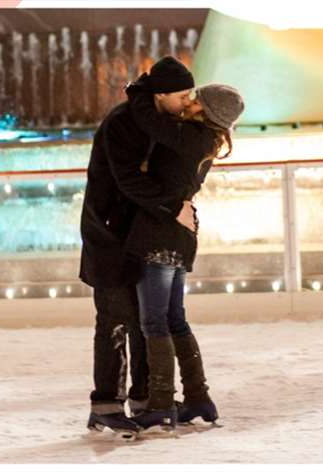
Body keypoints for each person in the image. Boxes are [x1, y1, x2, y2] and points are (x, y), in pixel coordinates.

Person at [79, 56, 199, 436]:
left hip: (142, 234)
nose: (187, 102)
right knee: (115, 319)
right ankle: (106, 404)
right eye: (183, 96)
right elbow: (128, 182)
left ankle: (145, 399)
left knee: (146, 319)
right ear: (161, 95)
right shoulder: (122, 123)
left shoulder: (160, 122)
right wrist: (173, 208)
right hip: (110, 235)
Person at [122, 76, 245, 431]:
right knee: (174, 318)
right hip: (179, 236)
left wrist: (139, 93)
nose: (188, 101)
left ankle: (161, 403)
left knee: (154, 322)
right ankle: (197, 398)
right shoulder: (204, 141)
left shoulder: (190, 138)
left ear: (206, 112)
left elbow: (149, 121)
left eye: (195, 99)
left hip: (161, 237)